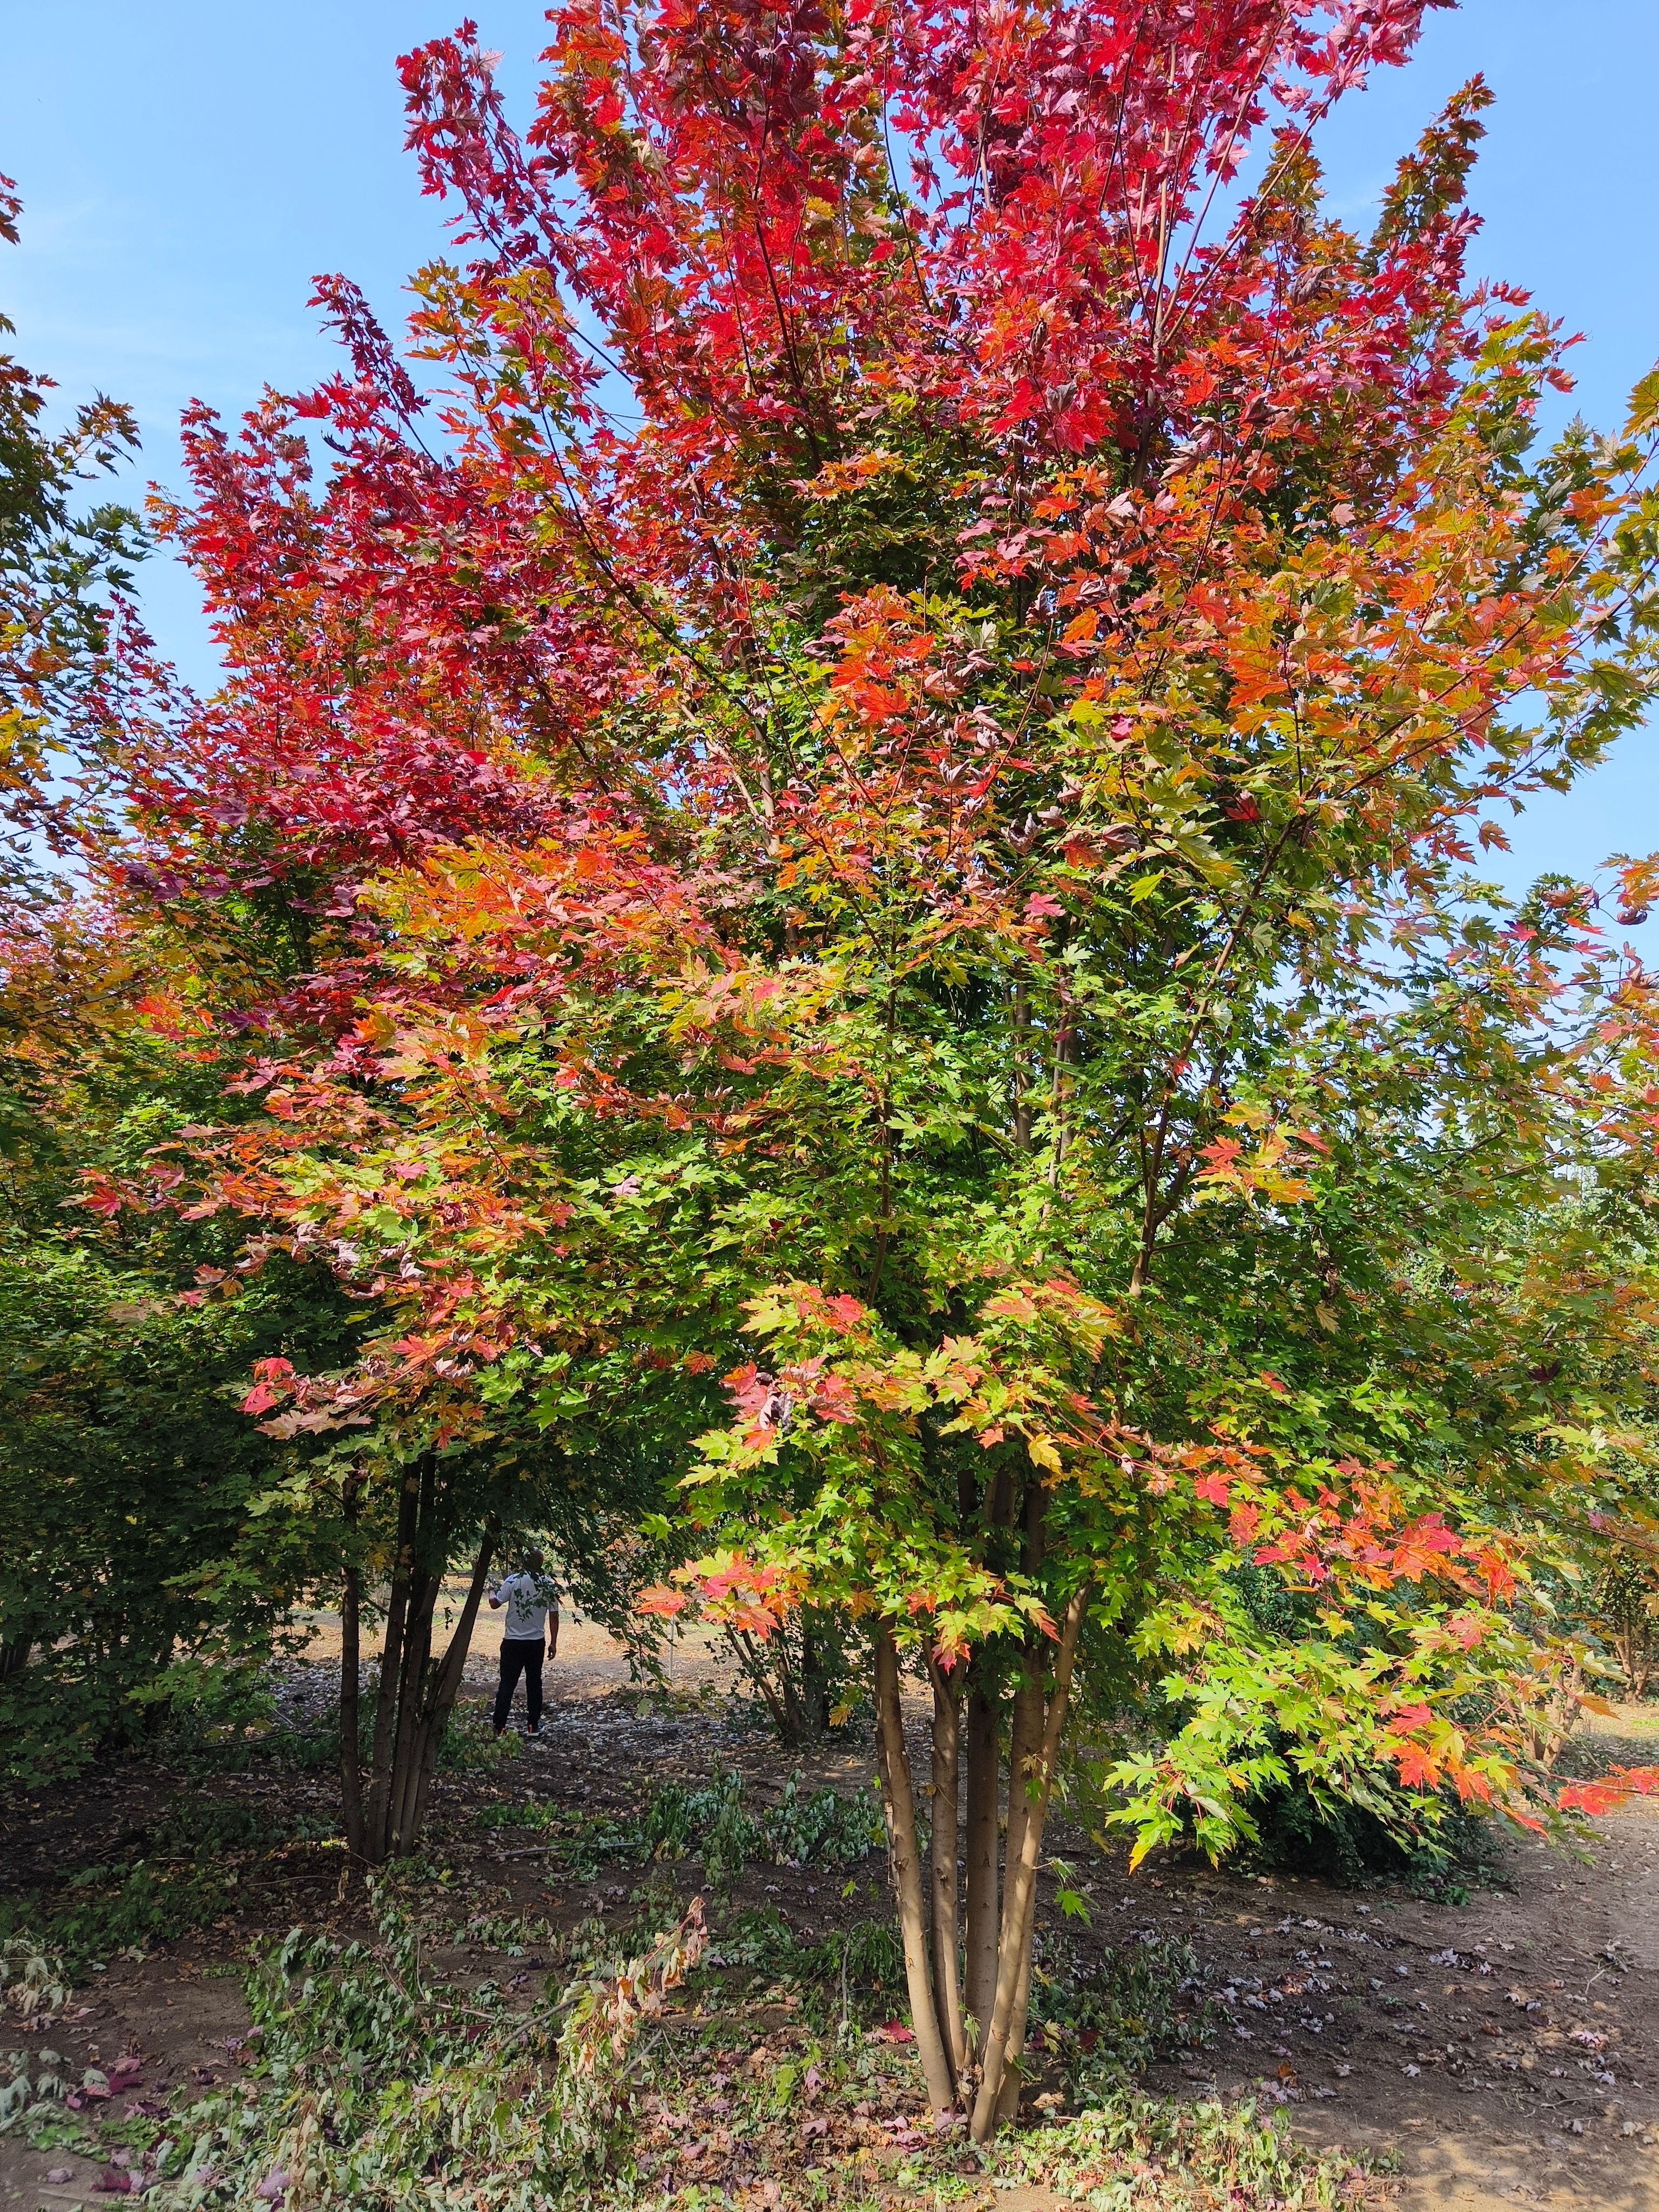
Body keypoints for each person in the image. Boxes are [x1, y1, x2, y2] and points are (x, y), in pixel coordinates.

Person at [489, 1547, 559, 1738]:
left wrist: (491, 1591)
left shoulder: (513, 1580)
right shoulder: (548, 1584)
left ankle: (500, 1727)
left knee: (507, 1685)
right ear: (541, 1562)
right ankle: (533, 1725)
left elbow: (495, 1604)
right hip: (536, 1642)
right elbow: (554, 1616)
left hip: (512, 1642)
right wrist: (554, 1642)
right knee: (534, 1683)